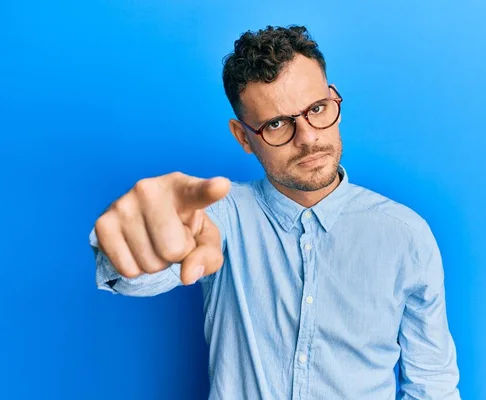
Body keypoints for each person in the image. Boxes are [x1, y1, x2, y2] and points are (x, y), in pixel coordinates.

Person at [90, 25, 461, 399]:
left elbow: (433, 384)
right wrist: (136, 244)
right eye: (277, 124)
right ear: (243, 137)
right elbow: (139, 274)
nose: (308, 137)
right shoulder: (219, 216)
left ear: (333, 101)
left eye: (317, 109)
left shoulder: (406, 234)